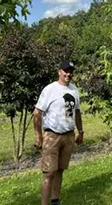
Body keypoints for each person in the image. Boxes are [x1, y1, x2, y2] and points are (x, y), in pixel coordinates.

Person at [34, 60, 84, 205]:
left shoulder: (74, 90)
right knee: (49, 172)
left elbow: (78, 112)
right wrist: (38, 136)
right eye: (65, 71)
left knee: (60, 170)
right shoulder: (50, 89)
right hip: (52, 136)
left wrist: (80, 132)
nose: (68, 74)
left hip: (68, 135)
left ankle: (55, 201)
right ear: (59, 72)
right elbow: (37, 113)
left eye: (71, 71)